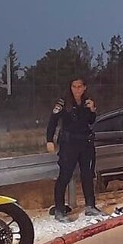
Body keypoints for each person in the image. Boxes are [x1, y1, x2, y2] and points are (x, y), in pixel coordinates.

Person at [46, 76, 102, 222]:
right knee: (65, 175)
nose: (77, 90)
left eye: (79, 87)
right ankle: (59, 209)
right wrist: (49, 140)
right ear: (70, 88)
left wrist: (92, 110)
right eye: (74, 87)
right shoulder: (63, 102)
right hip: (69, 144)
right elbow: (53, 121)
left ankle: (90, 206)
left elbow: (90, 121)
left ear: (84, 87)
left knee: (88, 175)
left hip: (85, 143)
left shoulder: (87, 102)